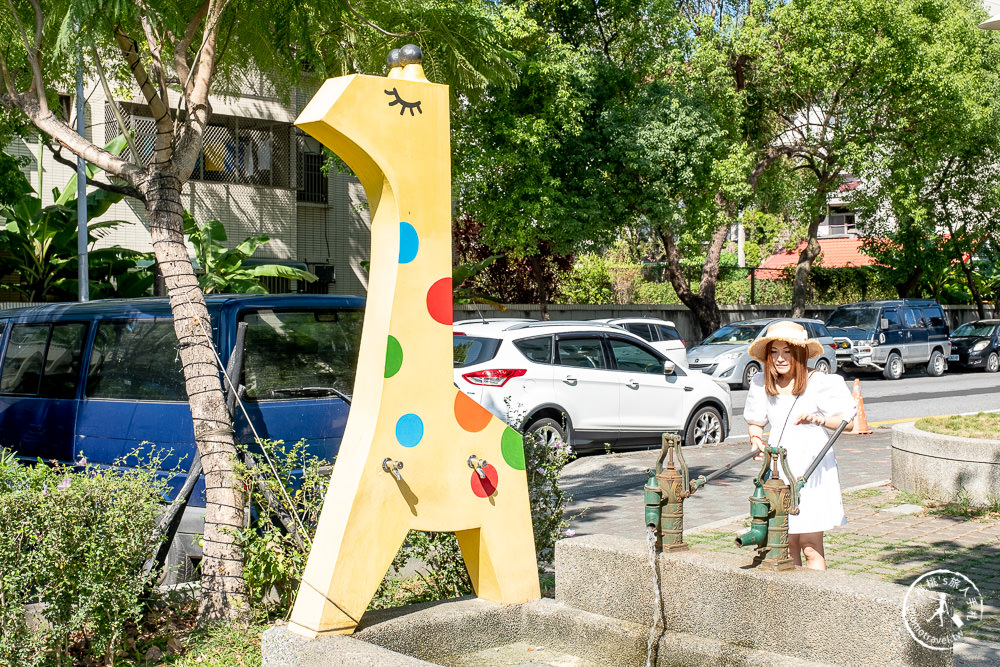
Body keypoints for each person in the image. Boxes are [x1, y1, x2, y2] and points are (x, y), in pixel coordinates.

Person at [743, 320, 857, 571]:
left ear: (800, 353)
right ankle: (793, 603)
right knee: (784, 542)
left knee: (810, 545)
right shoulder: (762, 383)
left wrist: (821, 419)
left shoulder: (819, 382)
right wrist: (756, 440)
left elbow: (847, 423)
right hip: (777, 468)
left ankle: (815, 602)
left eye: (787, 352)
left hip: (811, 468)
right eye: (774, 352)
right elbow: (755, 423)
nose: (780, 359)